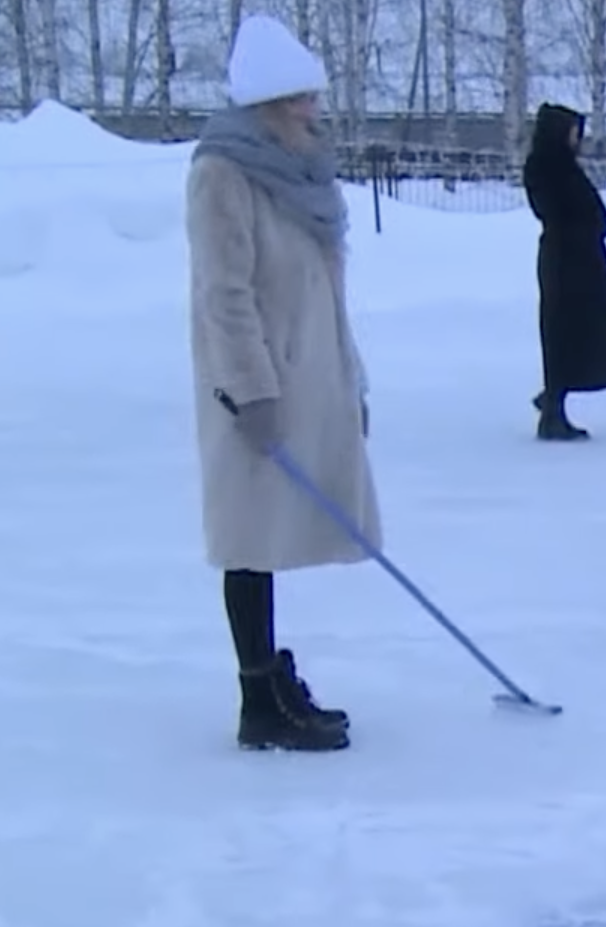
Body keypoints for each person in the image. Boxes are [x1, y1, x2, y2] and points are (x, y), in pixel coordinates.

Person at [187, 13, 382, 752]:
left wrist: (350, 380)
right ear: (268, 102)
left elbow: (325, 296)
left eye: (313, 98)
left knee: (267, 537)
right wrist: (253, 392)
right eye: (299, 99)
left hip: (307, 377)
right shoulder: (222, 172)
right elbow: (223, 292)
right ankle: (257, 698)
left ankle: (272, 676)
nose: (313, 111)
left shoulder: (299, 173)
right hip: (252, 392)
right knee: (248, 536)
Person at [523, 102, 606, 441]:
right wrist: (590, 226)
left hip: (581, 260)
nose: (576, 138)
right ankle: (553, 407)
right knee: (562, 332)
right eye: (572, 131)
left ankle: (555, 398)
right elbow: (557, 211)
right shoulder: (545, 166)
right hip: (565, 260)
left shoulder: (563, 165)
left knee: (577, 333)